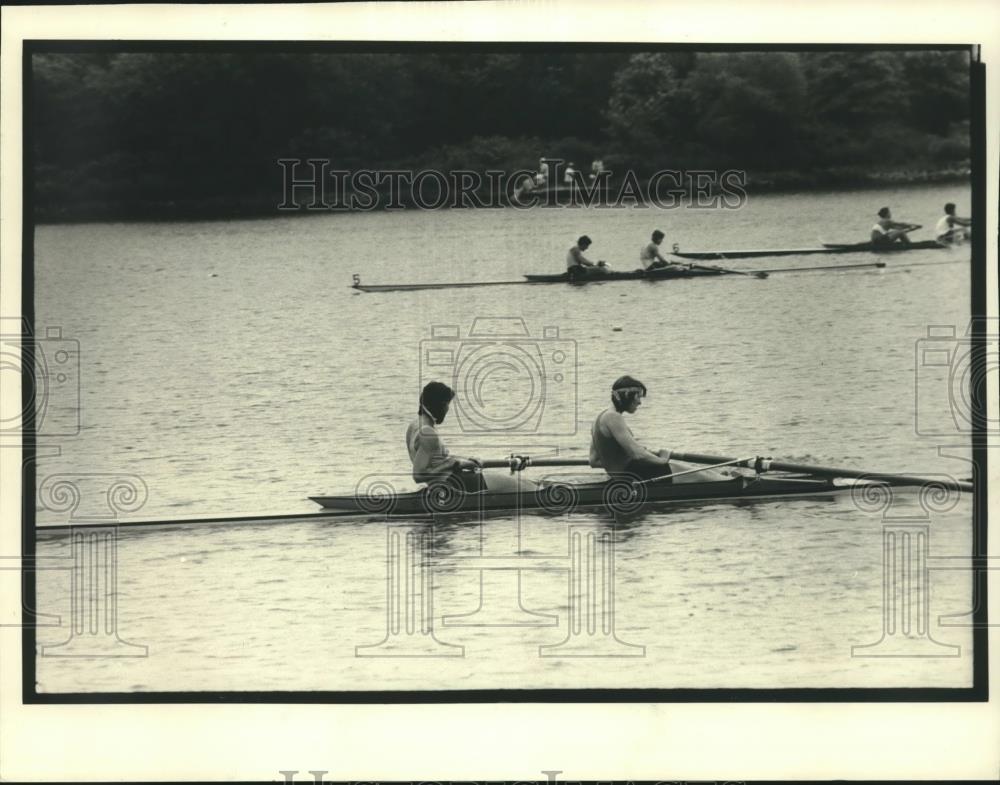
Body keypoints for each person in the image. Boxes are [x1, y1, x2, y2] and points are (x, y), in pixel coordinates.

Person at [589, 376, 729, 484]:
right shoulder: (614, 418)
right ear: (627, 396)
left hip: (624, 477)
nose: (639, 402)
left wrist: (616, 463)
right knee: (698, 474)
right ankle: (732, 484)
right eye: (638, 396)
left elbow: (593, 461)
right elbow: (637, 454)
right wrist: (662, 460)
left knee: (692, 469)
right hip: (636, 475)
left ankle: (722, 476)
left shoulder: (598, 418)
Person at [407, 382, 534, 493]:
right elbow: (418, 475)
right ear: (437, 405)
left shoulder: (413, 426)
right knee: (528, 487)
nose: (447, 409)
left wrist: (464, 461)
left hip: (446, 482)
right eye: (446, 404)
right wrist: (450, 464)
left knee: (520, 483)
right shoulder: (428, 433)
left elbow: (436, 461)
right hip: (454, 483)